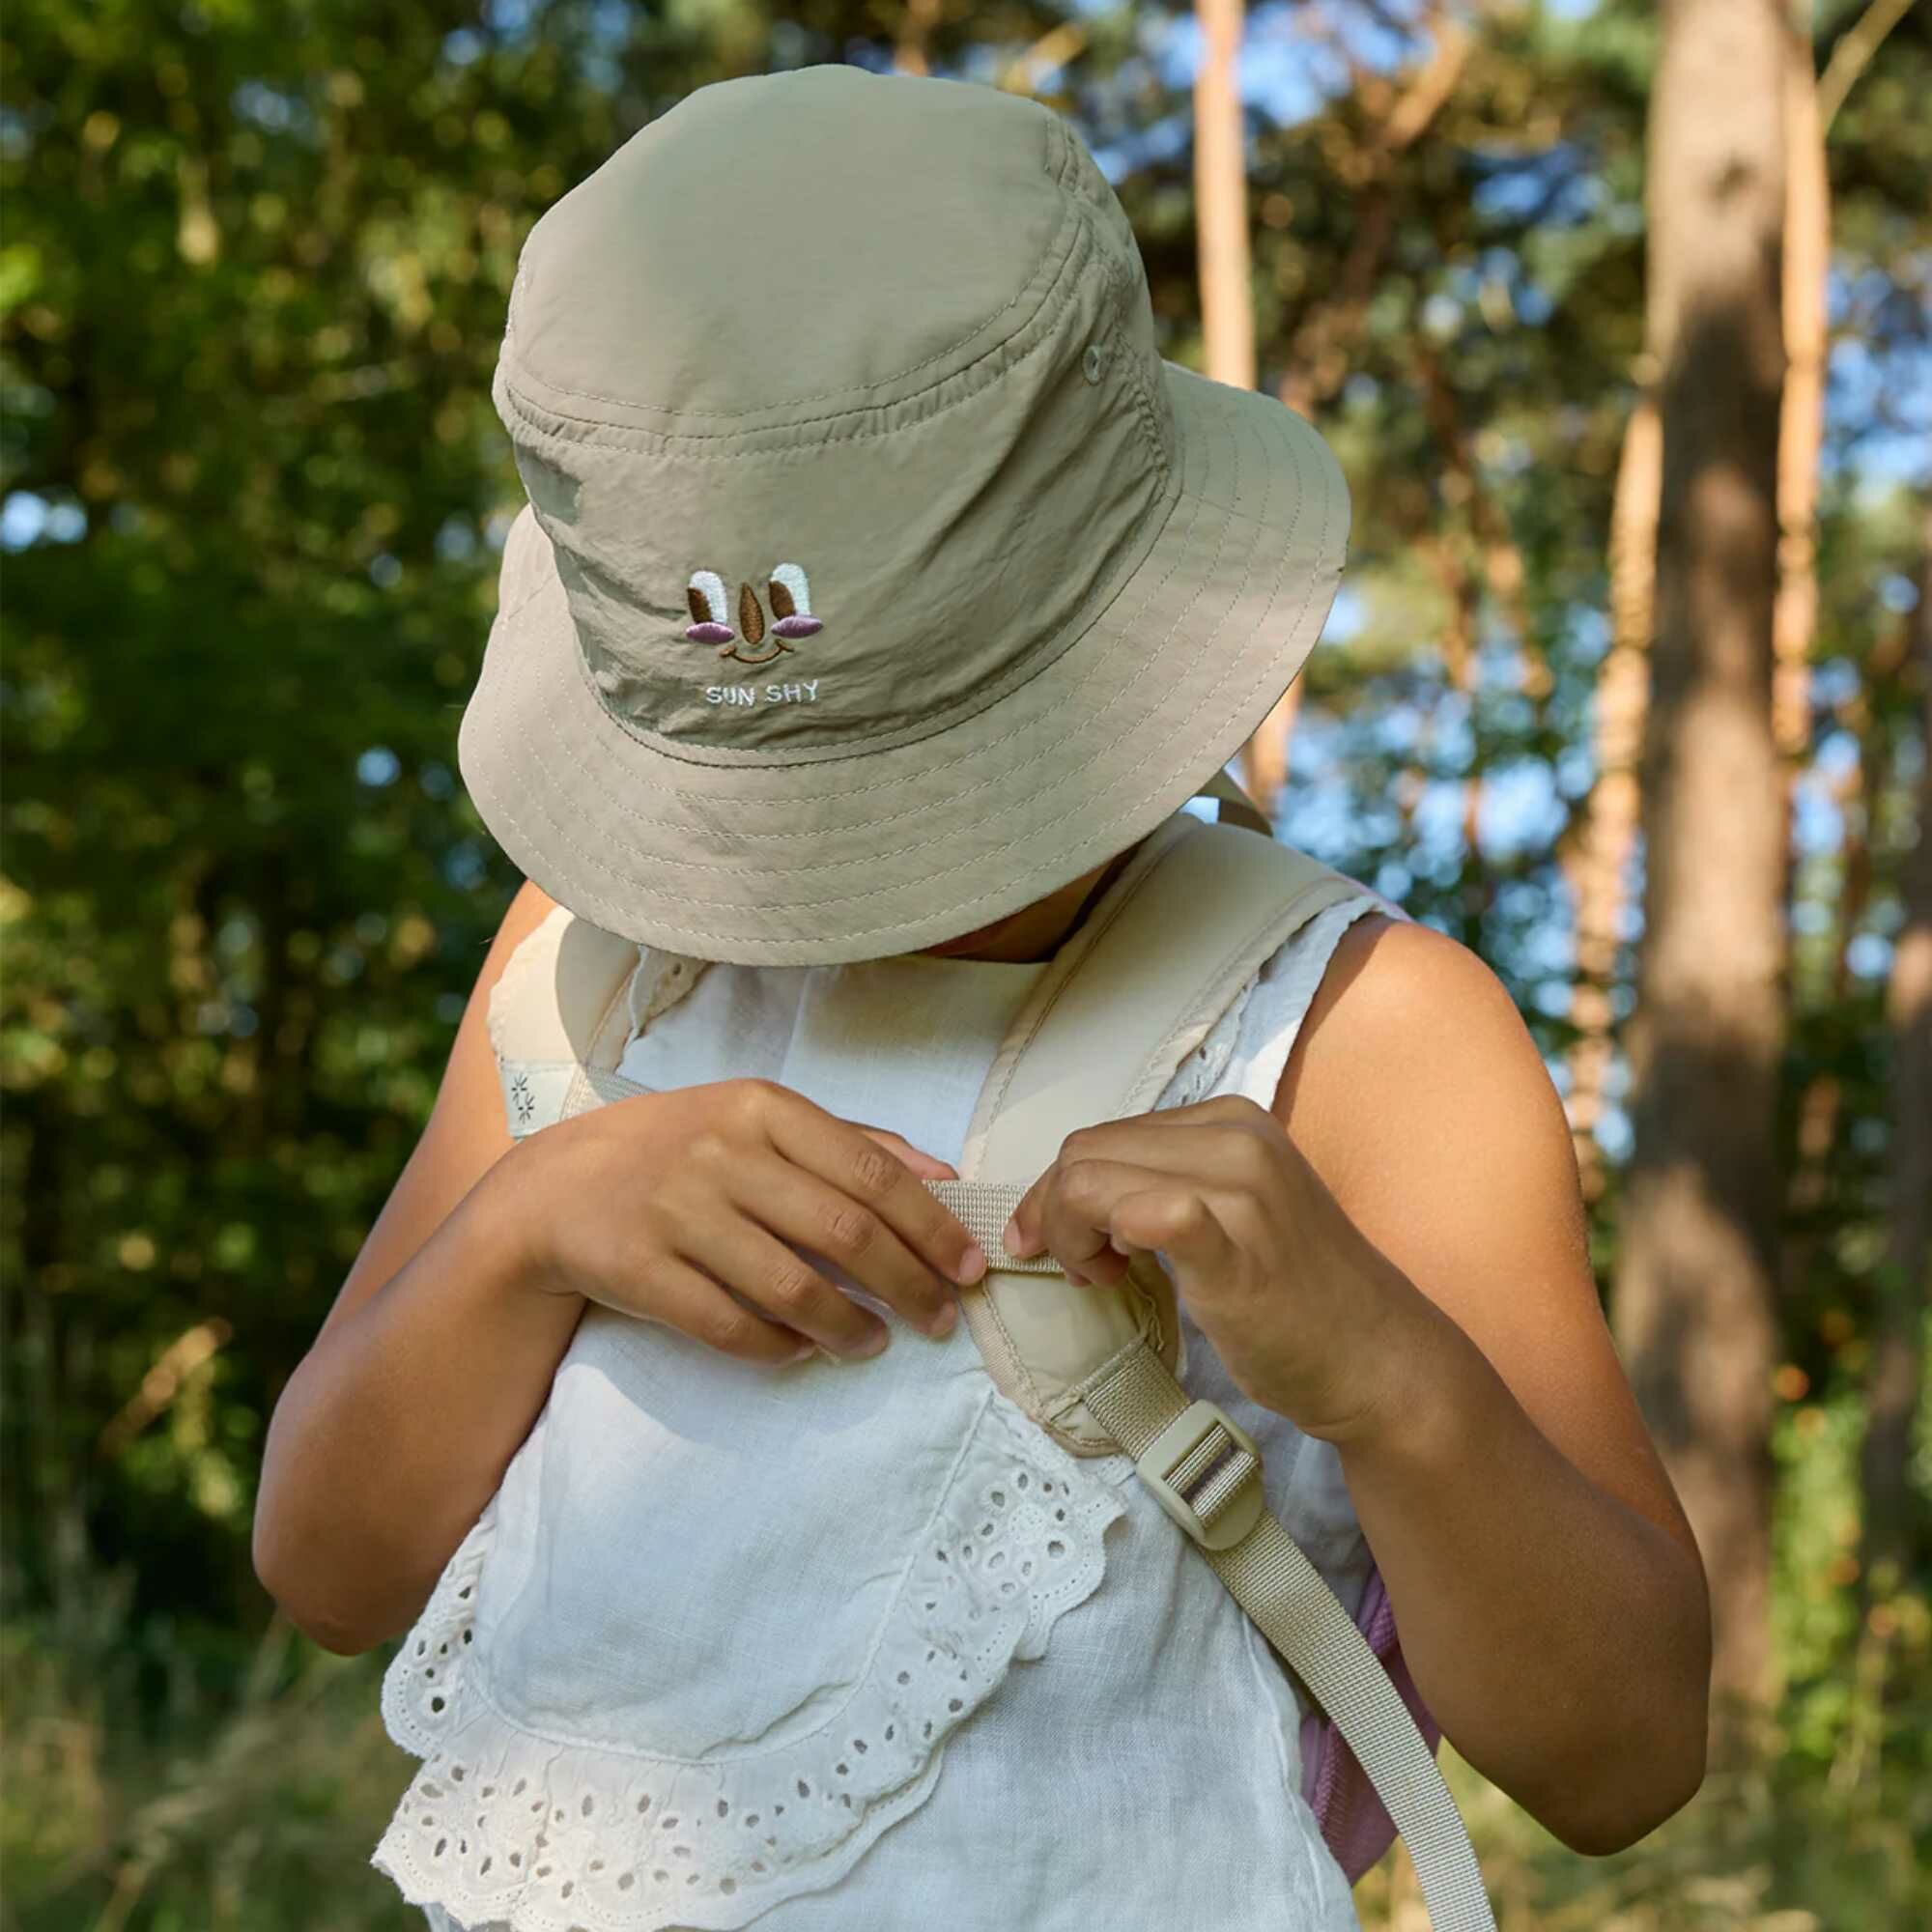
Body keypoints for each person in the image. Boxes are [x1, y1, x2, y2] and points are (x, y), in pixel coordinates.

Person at [252, 63, 1711, 1932]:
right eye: (792, 798)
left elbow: (1623, 1760)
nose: (847, 878)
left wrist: (1388, 1381)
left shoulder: (1357, 1038)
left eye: (914, 786)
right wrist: (523, 1237)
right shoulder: (584, 979)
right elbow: (327, 1569)